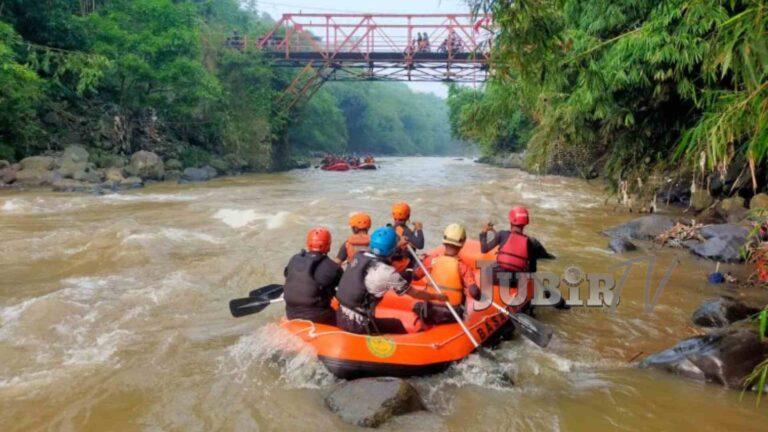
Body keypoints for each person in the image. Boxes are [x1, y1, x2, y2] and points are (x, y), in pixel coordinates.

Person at [336, 226, 448, 334]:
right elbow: (415, 293)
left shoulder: (359, 255)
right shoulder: (388, 273)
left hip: (341, 315)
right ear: (392, 249)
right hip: (358, 324)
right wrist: (438, 297)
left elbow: (380, 251)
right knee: (396, 324)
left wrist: (398, 245)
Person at [480, 206, 567, 309]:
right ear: (525, 223)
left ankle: (482, 296)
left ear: (510, 220)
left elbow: (484, 249)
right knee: (527, 275)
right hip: (514, 282)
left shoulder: (501, 234)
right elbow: (533, 270)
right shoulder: (531, 243)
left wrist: (484, 232)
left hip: (496, 278)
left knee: (485, 269)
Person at [412, 224, 482, 325]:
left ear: (444, 241)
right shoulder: (462, 267)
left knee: (415, 305)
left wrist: (420, 262)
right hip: (452, 314)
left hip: (430, 312)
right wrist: (480, 296)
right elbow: (474, 293)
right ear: (462, 243)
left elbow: (415, 276)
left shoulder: (431, 260)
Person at [283, 227, 343, 325]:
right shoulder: (332, 266)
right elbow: (345, 290)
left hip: (291, 313)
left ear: (308, 244)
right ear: (328, 245)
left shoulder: (294, 259)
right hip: (318, 316)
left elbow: (287, 275)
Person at [389, 202, 424, 278]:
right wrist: (419, 230)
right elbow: (420, 245)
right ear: (408, 216)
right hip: (404, 264)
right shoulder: (405, 231)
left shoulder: (391, 228)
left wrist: (413, 232)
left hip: (393, 260)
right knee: (422, 261)